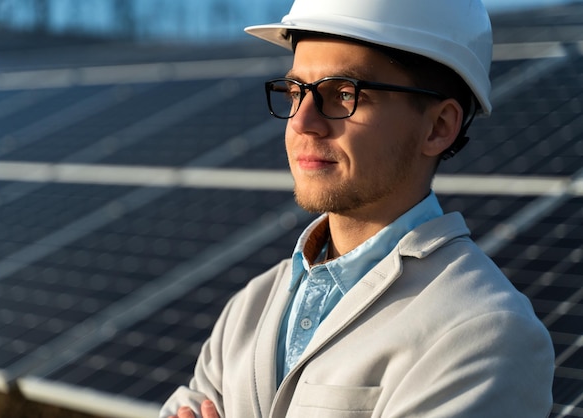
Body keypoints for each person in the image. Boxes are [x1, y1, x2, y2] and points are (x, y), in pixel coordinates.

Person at [160, 0, 555, 416]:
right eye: (296, 92)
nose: (301, 121)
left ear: (439, 127)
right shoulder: (251, 306)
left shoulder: (486, 331)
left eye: (344, 94)